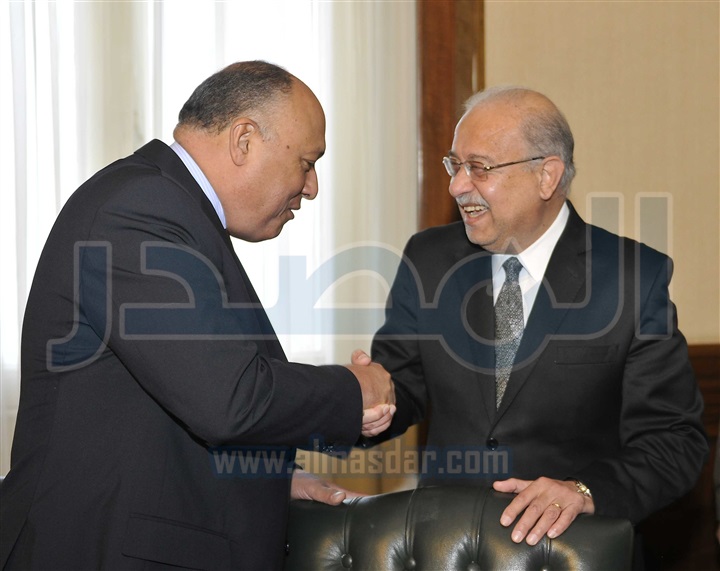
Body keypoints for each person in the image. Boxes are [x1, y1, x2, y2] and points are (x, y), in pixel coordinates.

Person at [0, 61, 395, 570]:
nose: (312, 186)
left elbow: (163, 419)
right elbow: (227, 399)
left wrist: (269, 481)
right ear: (244, 140)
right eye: (306, 162)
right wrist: (354, 389)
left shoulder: (169, 208)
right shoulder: (141, 208)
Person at [362, 86, 707, 548]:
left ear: (547, 176)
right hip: (445, 544)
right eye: (455, 165)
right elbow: (400, 388)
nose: (457, 186)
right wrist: (365, 399)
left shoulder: (632, 279)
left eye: (479, 168)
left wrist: (584, 491)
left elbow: (674, 442)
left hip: (572, 550)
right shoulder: (429, 259)